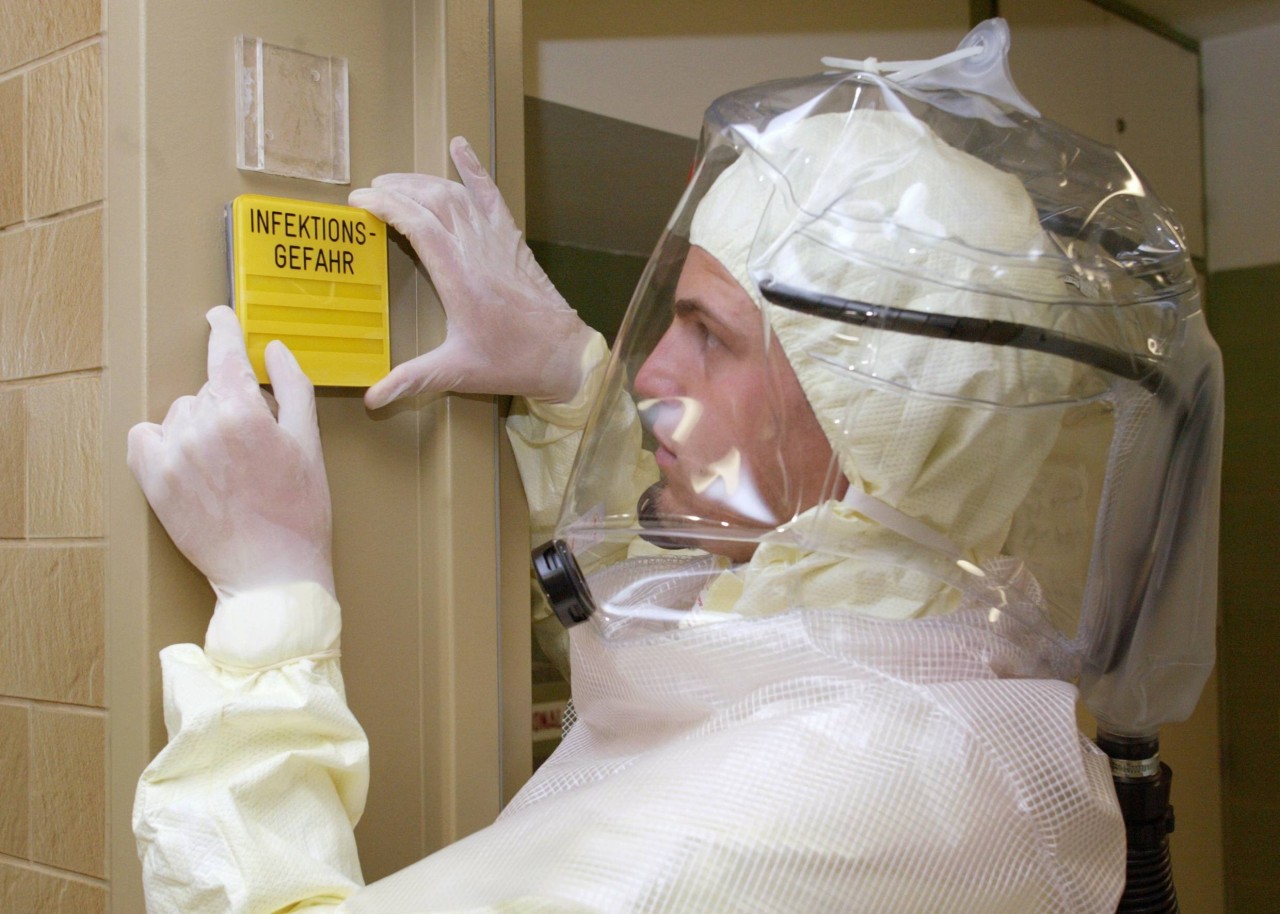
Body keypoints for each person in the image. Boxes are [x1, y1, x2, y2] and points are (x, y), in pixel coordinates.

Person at [129, 20, 1222, 913]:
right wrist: (570, 382)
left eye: (707, 331)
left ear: (871, 421)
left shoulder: (804, 805)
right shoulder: (941, 646)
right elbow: (711, 626)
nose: (651, 366)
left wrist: (270, 611)